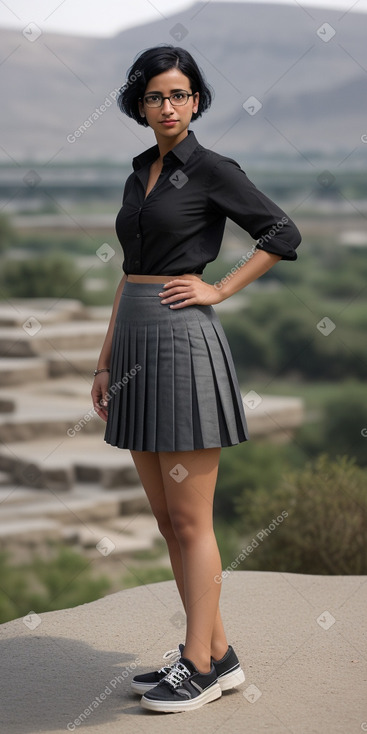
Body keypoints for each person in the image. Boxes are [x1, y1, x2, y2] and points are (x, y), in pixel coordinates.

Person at [91, 44, 301, 714]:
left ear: (197, 101)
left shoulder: (211, 170)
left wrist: (220, 290)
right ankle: (219, 654)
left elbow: (280, 232)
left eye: (179, 94)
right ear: (140, 104)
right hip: (133, 342)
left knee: (189, 518)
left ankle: (197, 665)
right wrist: (104, 359)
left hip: (182, 345)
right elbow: (129, 275)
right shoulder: (139, 173)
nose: (168, 107)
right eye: (155, 96)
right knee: (164, 517)